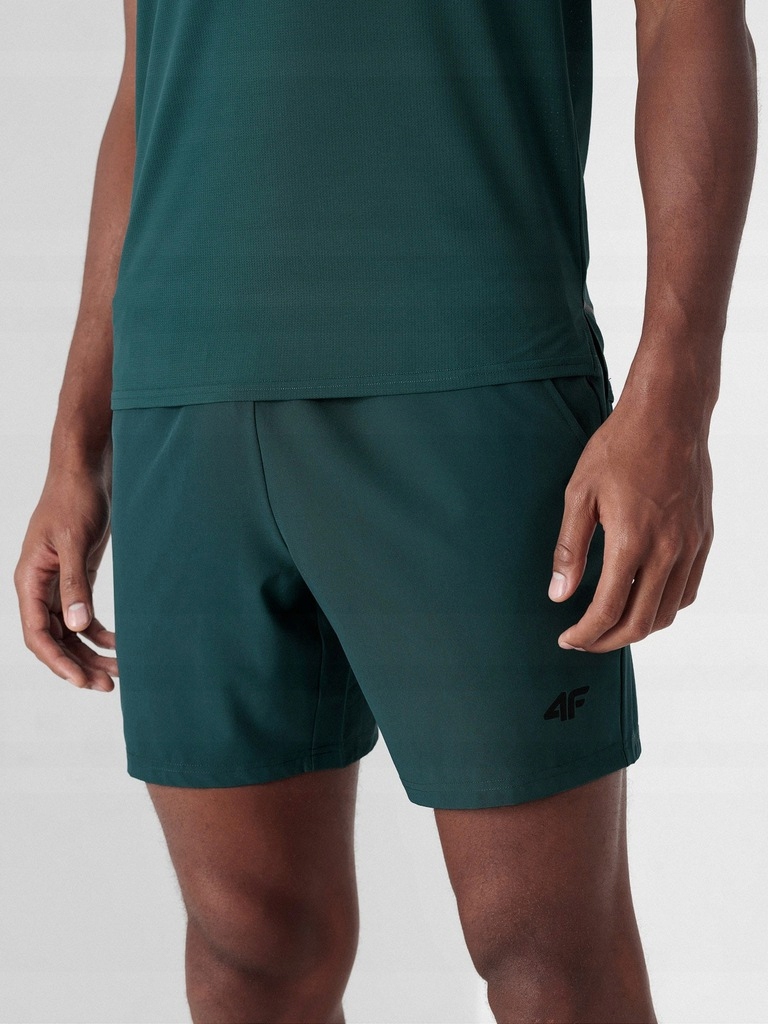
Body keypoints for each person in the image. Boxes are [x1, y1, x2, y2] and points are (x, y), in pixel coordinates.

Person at [14, 0, 757, 1020]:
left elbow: (687, 20)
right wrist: (78, 442)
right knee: (247, 947)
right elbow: (149, 75)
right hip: (182, 398)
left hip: (470, 372)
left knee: (543, 947)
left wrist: (676, 397)